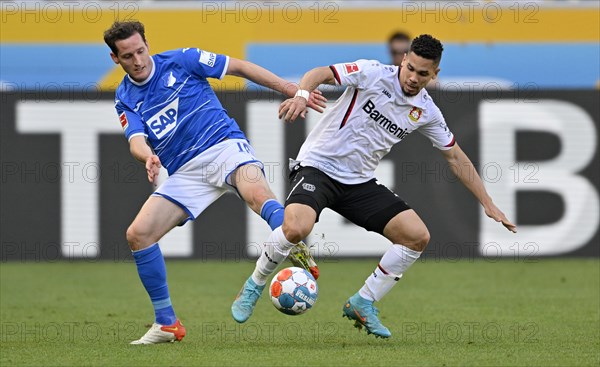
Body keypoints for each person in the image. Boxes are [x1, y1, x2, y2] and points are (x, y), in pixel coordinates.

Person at [231, 34, 517, 338]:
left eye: (423, 74)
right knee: (296, 228)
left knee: (416, 237)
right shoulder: (372, 72)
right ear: (404, 60)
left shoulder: (427, 111)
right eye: (411, 68)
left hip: (358, 182)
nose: (413, 78)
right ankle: (254, 285)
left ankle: (362, 302)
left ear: (435, 74)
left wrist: (487, 201)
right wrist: (302, 94)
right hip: (318, 166)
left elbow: (455, 156)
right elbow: (321, 73)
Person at [103, 20, 325, 344]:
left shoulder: (182, 59)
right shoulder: (125, 97)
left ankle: (292, 241)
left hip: (223, 146)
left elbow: (239, 67)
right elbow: (135, 138)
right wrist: (146, 156)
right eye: (127, 56)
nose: (137, 60)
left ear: (147, 44)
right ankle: (166, 323)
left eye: (140, 50)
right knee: (138, 235)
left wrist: (291, 89)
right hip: (185, 173)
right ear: (115, 59)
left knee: (257, 194)